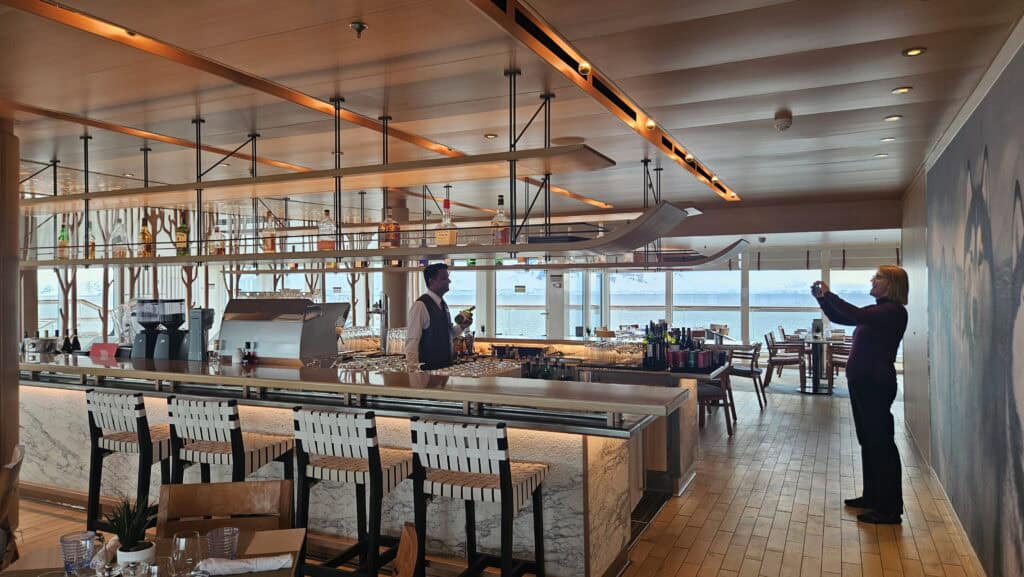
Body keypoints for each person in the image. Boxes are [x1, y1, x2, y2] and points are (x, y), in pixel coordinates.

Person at [811, 265, 908, 524]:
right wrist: (822, 300)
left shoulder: (893, 312)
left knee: (881, 444)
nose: (872, 280)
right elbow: (843, 318)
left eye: (878, 277)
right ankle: (873, 496)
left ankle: (889, 509)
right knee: (869, 441)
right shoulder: (879, 312)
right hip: (864, 384)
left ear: (891, 284)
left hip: (875, 385)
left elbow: (854, 313)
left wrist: (829, 295)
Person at [405, 263, 472, 370]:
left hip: (444, 370)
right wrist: (413, 372)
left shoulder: (443, 304)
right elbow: (412, 341)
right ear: (432, 281)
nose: (449, 281)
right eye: (444, 278)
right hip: (427, 372)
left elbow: (447, 335)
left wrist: (462, 327)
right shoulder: (420, 305)